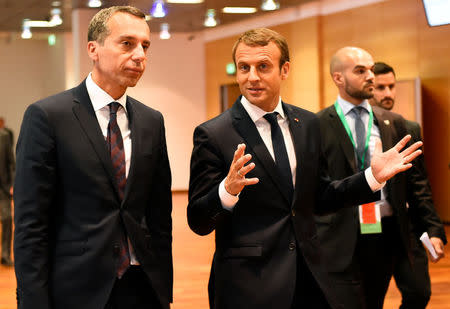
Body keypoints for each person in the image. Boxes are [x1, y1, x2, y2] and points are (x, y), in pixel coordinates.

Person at [187, 28, 422, 309]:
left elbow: (321, 196)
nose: (252, 77)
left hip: (310, 277)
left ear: (284, 69)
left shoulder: (308, 124)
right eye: (243, 67)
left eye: (263, 66)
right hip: (248, 283)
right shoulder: (213, 134)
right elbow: (198, 220)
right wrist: (226, 192)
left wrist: (371, 177)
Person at [14, 6, 173, 309]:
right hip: (77, 289)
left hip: (142, 288)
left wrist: (163, 290)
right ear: (93, 49)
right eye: (127, 44)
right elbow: (31, 225)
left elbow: (159, 217)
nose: (140, 55)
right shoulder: (48, 117)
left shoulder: (152, 121)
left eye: (145, 45)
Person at [315, 47, 446, 309]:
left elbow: (418, 184)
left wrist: (433, 229)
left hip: (393, 227)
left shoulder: (397, 124)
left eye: (371, 69)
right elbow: (319, 188)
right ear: (338, 78)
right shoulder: (317, 124)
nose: (370, 76)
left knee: (413, 294)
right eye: (360, 70)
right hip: (347, 232)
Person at [369, 61, 447, 308]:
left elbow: (420, 185)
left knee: (419, 292)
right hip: (368, 224)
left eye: (391, 86)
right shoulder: (353, 131)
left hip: (404, 224)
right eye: (381, 87)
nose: (388, 93)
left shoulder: (408, 128)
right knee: (369, 299)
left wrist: (434, 231)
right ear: (368, 88)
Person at [0, 126, 14, 266]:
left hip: (3, 188)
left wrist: (12, 184)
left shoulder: (4, 136)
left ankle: (5, 254)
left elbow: (11, 163)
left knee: (8, 219)